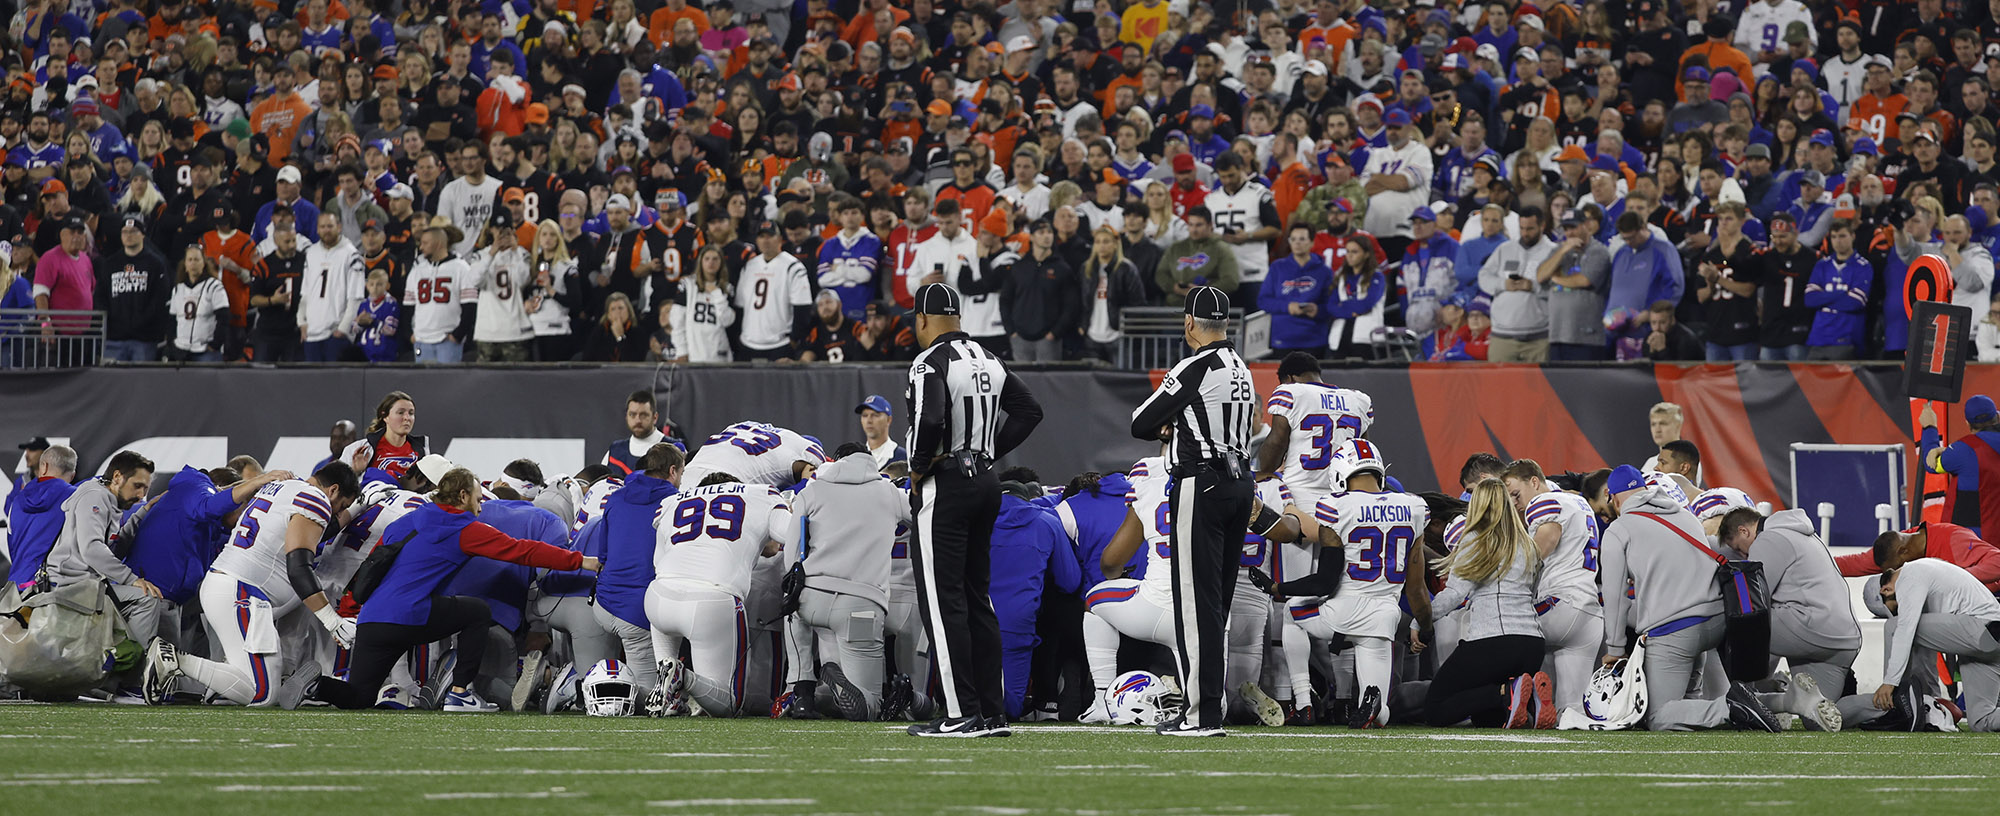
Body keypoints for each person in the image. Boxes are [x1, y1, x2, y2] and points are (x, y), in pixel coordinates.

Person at [299, 467, 596, 711]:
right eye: (478, 499)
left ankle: (316, 684)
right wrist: (581, 560)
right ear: (463, 495)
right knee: (478, 611)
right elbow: (522, 551)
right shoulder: (463, 527)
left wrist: (352, 611)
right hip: (409, 615)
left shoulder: (410, 519)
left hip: (373, 618)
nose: (482, 506)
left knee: (359, 697)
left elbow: (375, 564)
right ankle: (460, 692)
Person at [903, 282, 1045, 737]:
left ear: (922, 320)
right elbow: (1029, 410)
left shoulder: (930, 361)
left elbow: (930, 418)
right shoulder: (989, 358)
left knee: (944, 604)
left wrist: (920, 467)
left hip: (947, 484)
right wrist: (985, 452)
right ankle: (991, 711)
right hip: (984, 480)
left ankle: (960, 712)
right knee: (976, 599)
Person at [1128, 286, 1256, 736]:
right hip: (1241, 484)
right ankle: (1208, 708)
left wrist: (1173, 421)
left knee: (1194, 604)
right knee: (1215, 603)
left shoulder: (1195, 365)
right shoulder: (1241, 368)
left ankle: (1202, 713)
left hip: (1201, 483)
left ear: (1189, 324)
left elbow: (1140, 422)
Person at [140, 463, 360, 708]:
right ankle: (175, 661)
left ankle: (224, 685)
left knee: (267, 682)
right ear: (333, 490)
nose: (335, 513)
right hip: (241, 591)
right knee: (261, 694)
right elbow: (298, 567)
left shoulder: (282, 487)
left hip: (231, 585)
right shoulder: (316, 498)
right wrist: (332, 622)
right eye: (341, 507)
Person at [1597, 465, 1789, 732]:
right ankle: (1767, 703)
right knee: (1689, 699)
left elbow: (1615, 597)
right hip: (1716, 622)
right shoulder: (1685, 516)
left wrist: (1615, 649)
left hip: (1675, 629)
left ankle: (1731, 708)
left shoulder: (1620, 529)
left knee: (1658, 715)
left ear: (1615, 499)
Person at [650, 471, 793, 718]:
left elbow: (659, 560)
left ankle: (673, 695)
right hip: (711, 599)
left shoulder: (674, 501)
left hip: (658, 597)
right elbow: (794, 534)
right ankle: (682, 676)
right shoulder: (760, 495)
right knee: (728, 702)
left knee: (668, 682)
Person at [785, 443, 912, 720]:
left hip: (813, 598)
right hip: (860, 603)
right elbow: (922, 519)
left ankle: (803, 691)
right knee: (869, 707)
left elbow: (792, 550)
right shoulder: (888, 492)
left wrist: (794, 586)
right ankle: (912, 699)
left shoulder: (813, 490)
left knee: (792, 614)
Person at [1422, 478, 1553, 729]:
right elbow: (1533, 590)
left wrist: (1421, 620)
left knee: (1435, 708)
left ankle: (1507, 693)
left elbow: (1455, 594)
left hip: (1493, 641)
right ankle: (1520, 699)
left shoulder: (1475, 538)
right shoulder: (1527, 542)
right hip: (1532, 644)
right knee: (1486, 719)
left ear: (1476, 506)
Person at [1714, 506, 1853, 731]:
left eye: (1739, 548)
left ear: (1745, 531)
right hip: (1844, 638)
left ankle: (1741, 698)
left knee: (1731, 621)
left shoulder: (1768, 539)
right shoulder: (1806, 535)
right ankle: (1887, 705)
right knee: (1816, 716)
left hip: (1808, 626)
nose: (1744, 556)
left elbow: (1754, 601)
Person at [1500, 458, 1603, 712]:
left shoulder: (1542, 500)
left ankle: (1502, 699)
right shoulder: (1578, 501)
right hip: (1589, 612)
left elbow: (1545, 543)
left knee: (1494, 633)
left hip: (1558, 605)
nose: (1515, 503)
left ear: (1534, 481)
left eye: (1515, 494)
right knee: (1571, 711)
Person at [593, 443, 685, 704]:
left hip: (602, 603)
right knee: (648, 701)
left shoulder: (616, 496)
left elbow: (603, 556)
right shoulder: (675, 502)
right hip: (636, 611)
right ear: (672, 471)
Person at [1868, 559, 2000, 732]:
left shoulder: (1909, 576)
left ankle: (1897, 708)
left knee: (1894, 626)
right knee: (1982, 721)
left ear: (1886, 589)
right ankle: (1910, 703)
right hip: (1987, 639)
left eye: (1894, 609)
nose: (1898, 612)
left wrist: (1890, 683)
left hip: (1981, 629)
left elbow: (1904, 629)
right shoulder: (1925, 570)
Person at [1478, 206, 1558, 362]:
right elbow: (1483, 276)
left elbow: (1561, 289)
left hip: (1538, 338)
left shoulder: (1553, 252)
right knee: (1499, 385)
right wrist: (1503, 284)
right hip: (1502, 337)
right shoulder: (1505, 248)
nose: (1525, 233)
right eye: (1521, 228)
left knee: (1538, 386)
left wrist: (1533, 287)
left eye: (1530, 229)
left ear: (1542, 226)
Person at [1918, 398, 2000, 538]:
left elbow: (1931, 464)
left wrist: (1929, 428)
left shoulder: (1963, 450)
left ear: (1968, 424)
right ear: (1997, 417)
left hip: (1972, 541)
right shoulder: (1963, 450)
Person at [1259, 224, 1336, 359]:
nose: (1297, 243)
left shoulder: (1324, 272)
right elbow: (1263, 301)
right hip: (1283, 339)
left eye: (1302, 239)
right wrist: (1287, 306)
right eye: (1293, 239)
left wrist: (1317, 310)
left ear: (1312, 242)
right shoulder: (1277, 267)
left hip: (1314, 340)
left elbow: (1332, 305)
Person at [604, 390, 687, 476]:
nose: (638, 420)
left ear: (655, 417)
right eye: (632, 414)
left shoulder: (674, 449)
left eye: (643, 415)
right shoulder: (615, 451)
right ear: (626, 416)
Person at [855, 395, 907, 470]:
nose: (869, 421)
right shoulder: (857, 458)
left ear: (888, 420)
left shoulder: (902, 457)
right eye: (865, 415)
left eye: (875, 415)